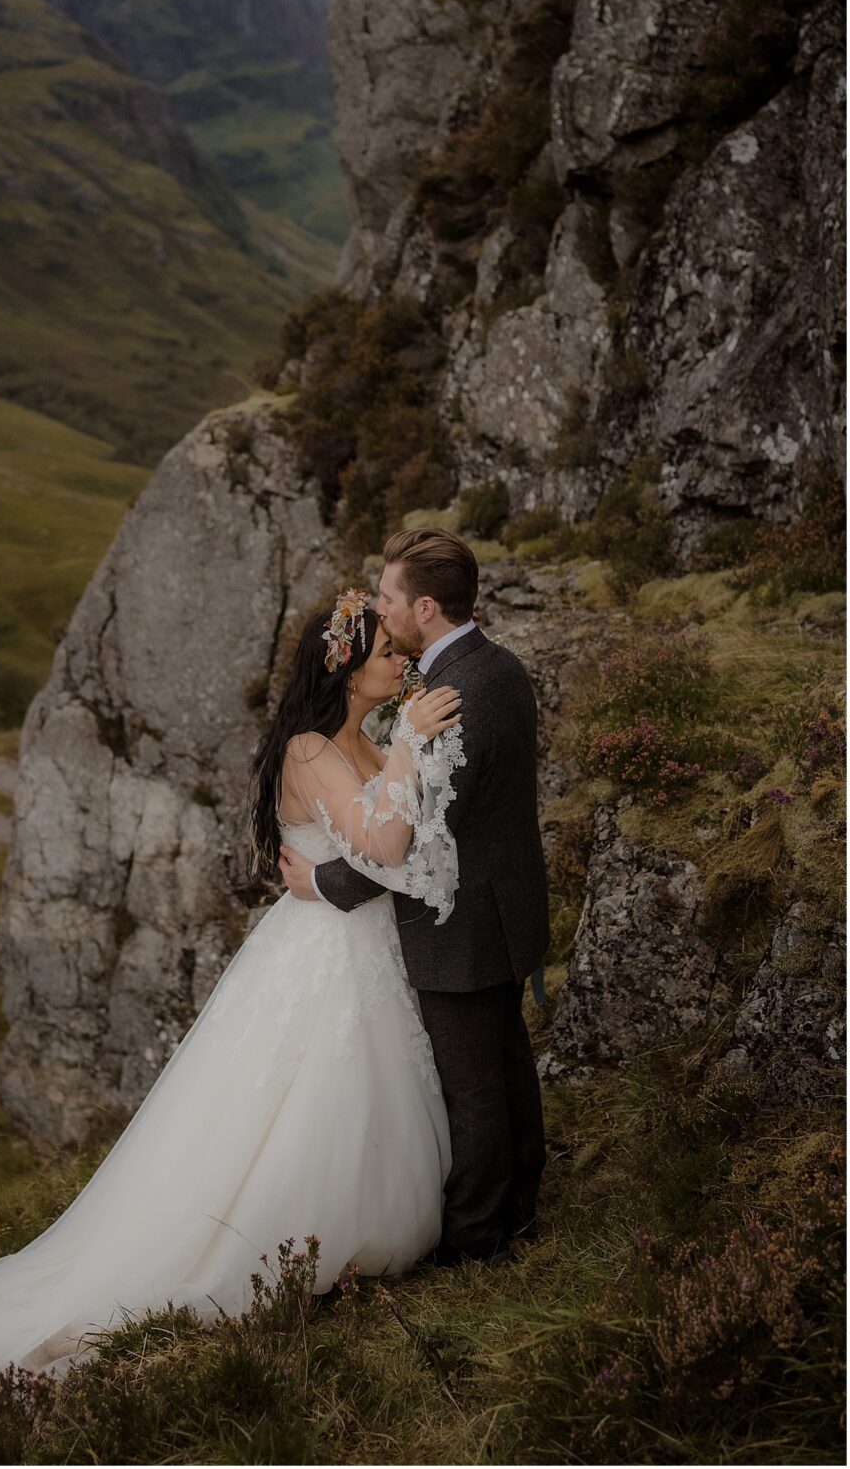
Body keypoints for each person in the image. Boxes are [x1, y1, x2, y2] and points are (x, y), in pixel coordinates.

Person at [0, 592, 464, 1396]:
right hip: (323, 954)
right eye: (389, 654)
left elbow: (391, 848)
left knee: (364, 1088)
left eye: (402, 652)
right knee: (302, 1098)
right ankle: (273, 1251)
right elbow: (382, 841)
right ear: (347, 666)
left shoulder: (359, 738)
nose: (402, 663)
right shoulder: (306, 751)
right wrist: (410, 747)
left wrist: (399, 752)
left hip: (361, 939)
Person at [280, 526, 550, 1267]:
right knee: (504, 1066)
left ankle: (476, 1240)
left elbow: (422, 835)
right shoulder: (501, 667)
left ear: (425, 606)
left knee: (476, 1091)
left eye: (391, 597)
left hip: (460, 922)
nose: (381, 607)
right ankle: (522, 1199)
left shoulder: (447, 698)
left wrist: (324, 880)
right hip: (503, 905)